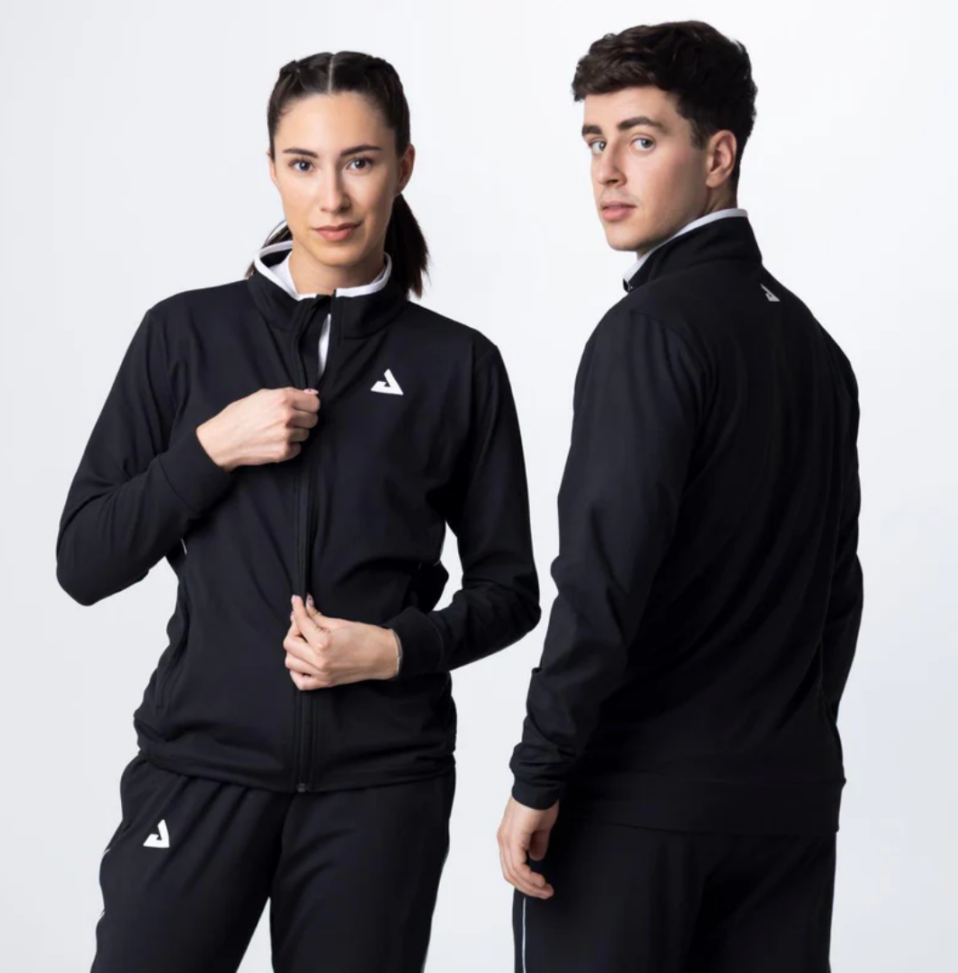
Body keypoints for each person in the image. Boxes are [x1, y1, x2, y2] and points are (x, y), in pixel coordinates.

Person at [57, 50, 540, 973]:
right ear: (272, 168)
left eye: (360, 161)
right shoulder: (183, 334)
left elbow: (511, 590)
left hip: (378, 787)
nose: (332, 196)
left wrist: (392, 648)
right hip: (199, 767)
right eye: (303, 163)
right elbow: (84, 560)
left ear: (403, 165)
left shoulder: (457, 365)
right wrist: (210, 449)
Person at [498, 20, 863, 973]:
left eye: (641, 138)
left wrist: (538, 771)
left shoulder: (648, 331)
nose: (607, 170)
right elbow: (836, 592)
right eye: (594, 140)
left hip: (638, 809)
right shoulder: (816, 350)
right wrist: (778, 741)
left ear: (717, 155)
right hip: (783, 809)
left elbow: (601, 581)